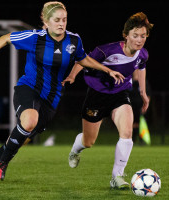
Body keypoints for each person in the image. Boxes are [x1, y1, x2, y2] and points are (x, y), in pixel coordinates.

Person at [0, 1, 124, 192]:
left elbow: (83, 58)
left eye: (64, 19)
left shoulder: (74, 40)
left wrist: (107, 70)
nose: (61, 23)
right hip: (28, 88)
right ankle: (3, 162)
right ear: (47, 22)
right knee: (29, 121)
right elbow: (5, 38)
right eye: (57, 20)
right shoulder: (35, 37)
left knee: (17, 141)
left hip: (51, 100)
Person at [64, 12, 153, 189]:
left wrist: (143, 92)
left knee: (127, 133)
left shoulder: (143, 54)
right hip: (96, 95)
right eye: (135, 35)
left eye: (143, 36)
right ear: (126, 35)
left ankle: (117, 177)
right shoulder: (107, 50)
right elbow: (82, 60)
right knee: (88, 142)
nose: (140, 39)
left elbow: (141, 68)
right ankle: (75, 150)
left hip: (120, 94)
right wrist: (72, 76)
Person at [129, 70, 151, 144]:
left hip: (141, 106)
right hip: (131, 106)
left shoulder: (144, 82)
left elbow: (148, 94)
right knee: (132, 123)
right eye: (135, 70)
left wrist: (146, 105)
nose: (136, 71)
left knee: (141, 122)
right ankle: (133, 139)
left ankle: (142, 140)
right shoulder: (129, 81)